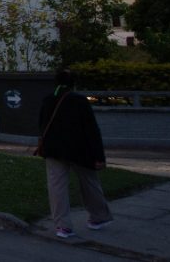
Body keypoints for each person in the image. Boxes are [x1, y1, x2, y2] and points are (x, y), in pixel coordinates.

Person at [38, 69, 113, 239]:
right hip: (80, 150)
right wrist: (99, 156)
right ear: (73, 84)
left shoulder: (48, 100)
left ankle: (62, 226)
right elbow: (92, 130)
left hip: (54, 150)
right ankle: (99, 217)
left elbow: (42, 125)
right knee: (90, 183)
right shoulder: (80, 101)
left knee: (57, 187)